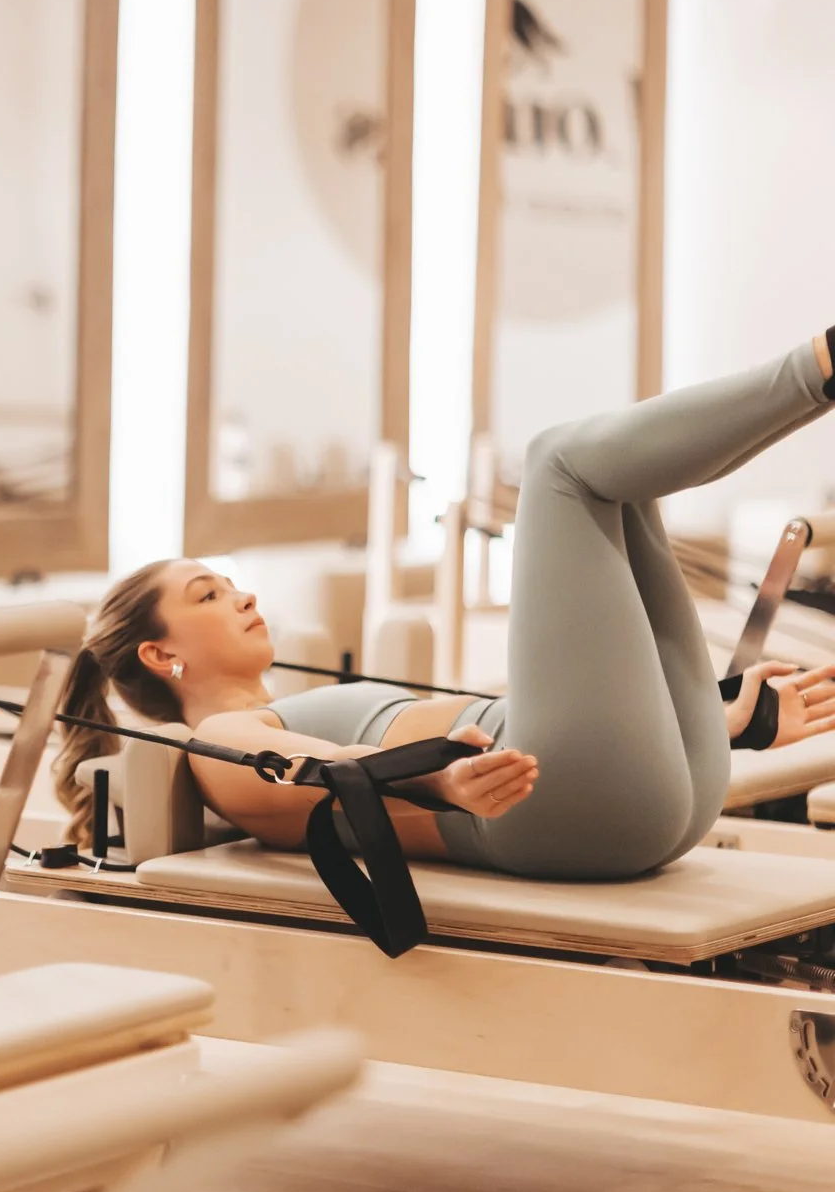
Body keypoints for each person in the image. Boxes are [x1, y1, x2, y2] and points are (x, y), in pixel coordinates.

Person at [55, 334, 835, 881]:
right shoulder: (216, 740)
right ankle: (818, 365)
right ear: (162, 656)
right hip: (556, 800)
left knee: (622, 486)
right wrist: (431, 780)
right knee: (557, 461)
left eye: (228, 582)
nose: (244, 594)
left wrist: (729, 721)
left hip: (632, 793)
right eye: (208, 595)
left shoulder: (278, 709)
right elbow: (312, 773)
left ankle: (818, 373)